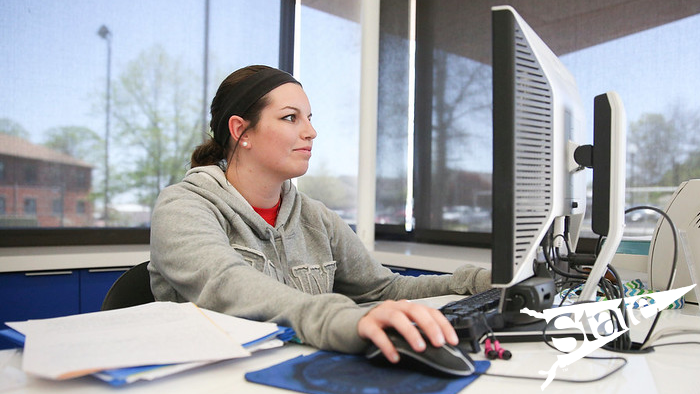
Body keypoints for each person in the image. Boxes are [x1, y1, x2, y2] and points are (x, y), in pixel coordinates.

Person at [148, 65, 491, 363]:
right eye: (290, 118)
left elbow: (384, 289)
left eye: (309, 119)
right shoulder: (183, 207)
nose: (310, 132)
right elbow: (227, 285)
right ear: (241, 131)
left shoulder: (315, 217)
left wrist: (477, 283)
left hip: (300, 370)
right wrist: (342, 320)